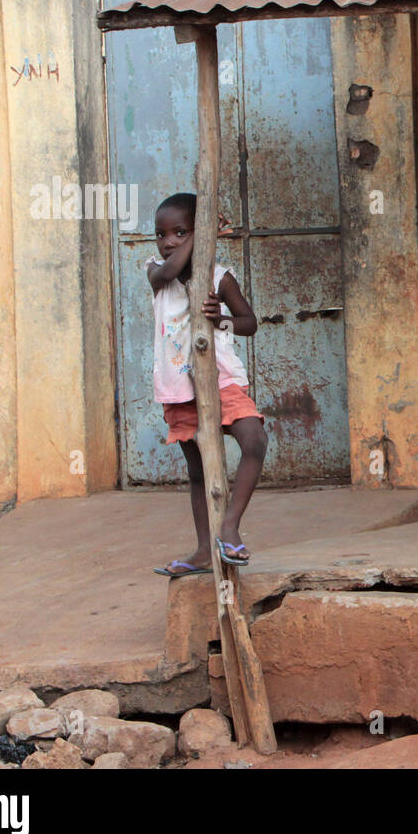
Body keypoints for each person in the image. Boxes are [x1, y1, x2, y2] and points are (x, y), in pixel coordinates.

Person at [147, 193, 266, 577]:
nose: (168, 242)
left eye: (180, 232)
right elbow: (169, 272)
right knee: (199, 473)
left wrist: (221, 320)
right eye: (162, 234)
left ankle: (229, 527)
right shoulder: (156, 273)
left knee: (254, 440)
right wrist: (201, 236)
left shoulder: (220, 277)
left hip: (221, 381)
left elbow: (248, 323)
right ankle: (203, 550)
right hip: (180, 389)